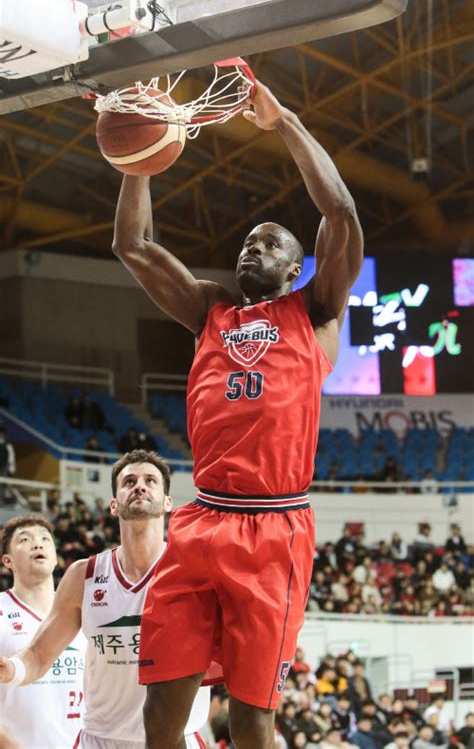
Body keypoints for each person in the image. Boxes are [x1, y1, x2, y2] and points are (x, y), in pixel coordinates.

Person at [112, 79, 363, 748]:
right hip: (201, 520)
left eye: (270, 241)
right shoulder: (211, 310)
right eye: (247, 241)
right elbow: (131, 246)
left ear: (296, 266)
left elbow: (340, 213)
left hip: (274, 529)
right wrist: (137, 162)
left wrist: (284, 122)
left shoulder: (315, 311)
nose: (251, 246)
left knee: (252, 718)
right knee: (162, 711)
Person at [0, 450, 209, 748]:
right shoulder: (83, 575)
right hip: (102, 739)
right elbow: (37, 655)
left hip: (178, 738)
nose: (140, 486)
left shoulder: (192, 569)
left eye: (150, 480)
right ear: (114, 505)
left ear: (167, 503)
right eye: (129, 481)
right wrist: (13, 670)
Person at [0, 514, 86, 748]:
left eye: (45, 539)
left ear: (56, 558)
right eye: (24, 540)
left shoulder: (84, 610)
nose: (38, 543)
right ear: (7, 560)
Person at [0, 425, 16, 504]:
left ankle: (2, 500)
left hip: (4, 465)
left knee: (3, 483)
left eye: (2, 433)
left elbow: (11, 456)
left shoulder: (7, 444)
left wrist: (12, 467)